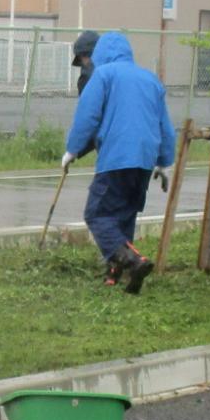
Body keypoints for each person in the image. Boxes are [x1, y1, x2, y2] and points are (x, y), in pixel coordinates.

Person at [62, 29, 176, 294]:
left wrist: (72, 150)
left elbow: (87, 116)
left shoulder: (103, 75)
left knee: (97, 214)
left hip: (117, 156)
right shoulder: (150, 79)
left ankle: (132, 260)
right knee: (123, 214)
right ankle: (120, 272)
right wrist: (164, 162)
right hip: (145, 160)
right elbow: (166, 128)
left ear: (100, 54)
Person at [71, 30, 100, 96]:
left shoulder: (88, 75)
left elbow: (87, 104)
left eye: (81, 58)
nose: (82, 62)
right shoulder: (120, 68)